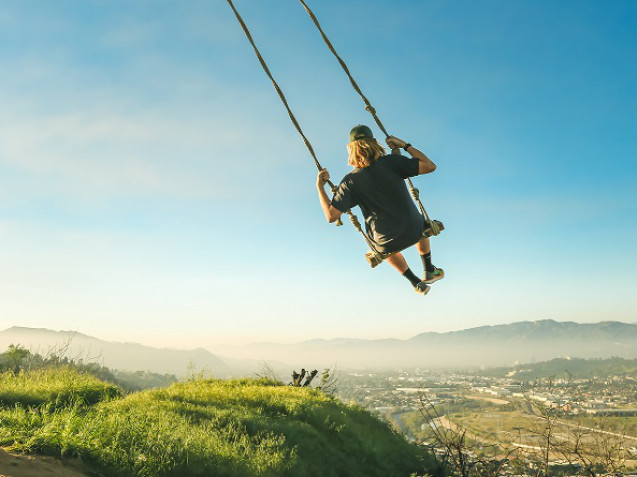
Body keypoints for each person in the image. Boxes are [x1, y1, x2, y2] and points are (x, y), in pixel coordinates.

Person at [316, 124, 444, 295]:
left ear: (350, 150)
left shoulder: (349, 183)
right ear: (375, 143)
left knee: (380, 245)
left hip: (386, 242)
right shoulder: (392, 162)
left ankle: (415, 282)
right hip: (415, 229)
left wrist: (320, 187)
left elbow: (331, 216)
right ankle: (428, 268)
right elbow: (430, 166)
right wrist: (404, 145)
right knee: (420, 223)